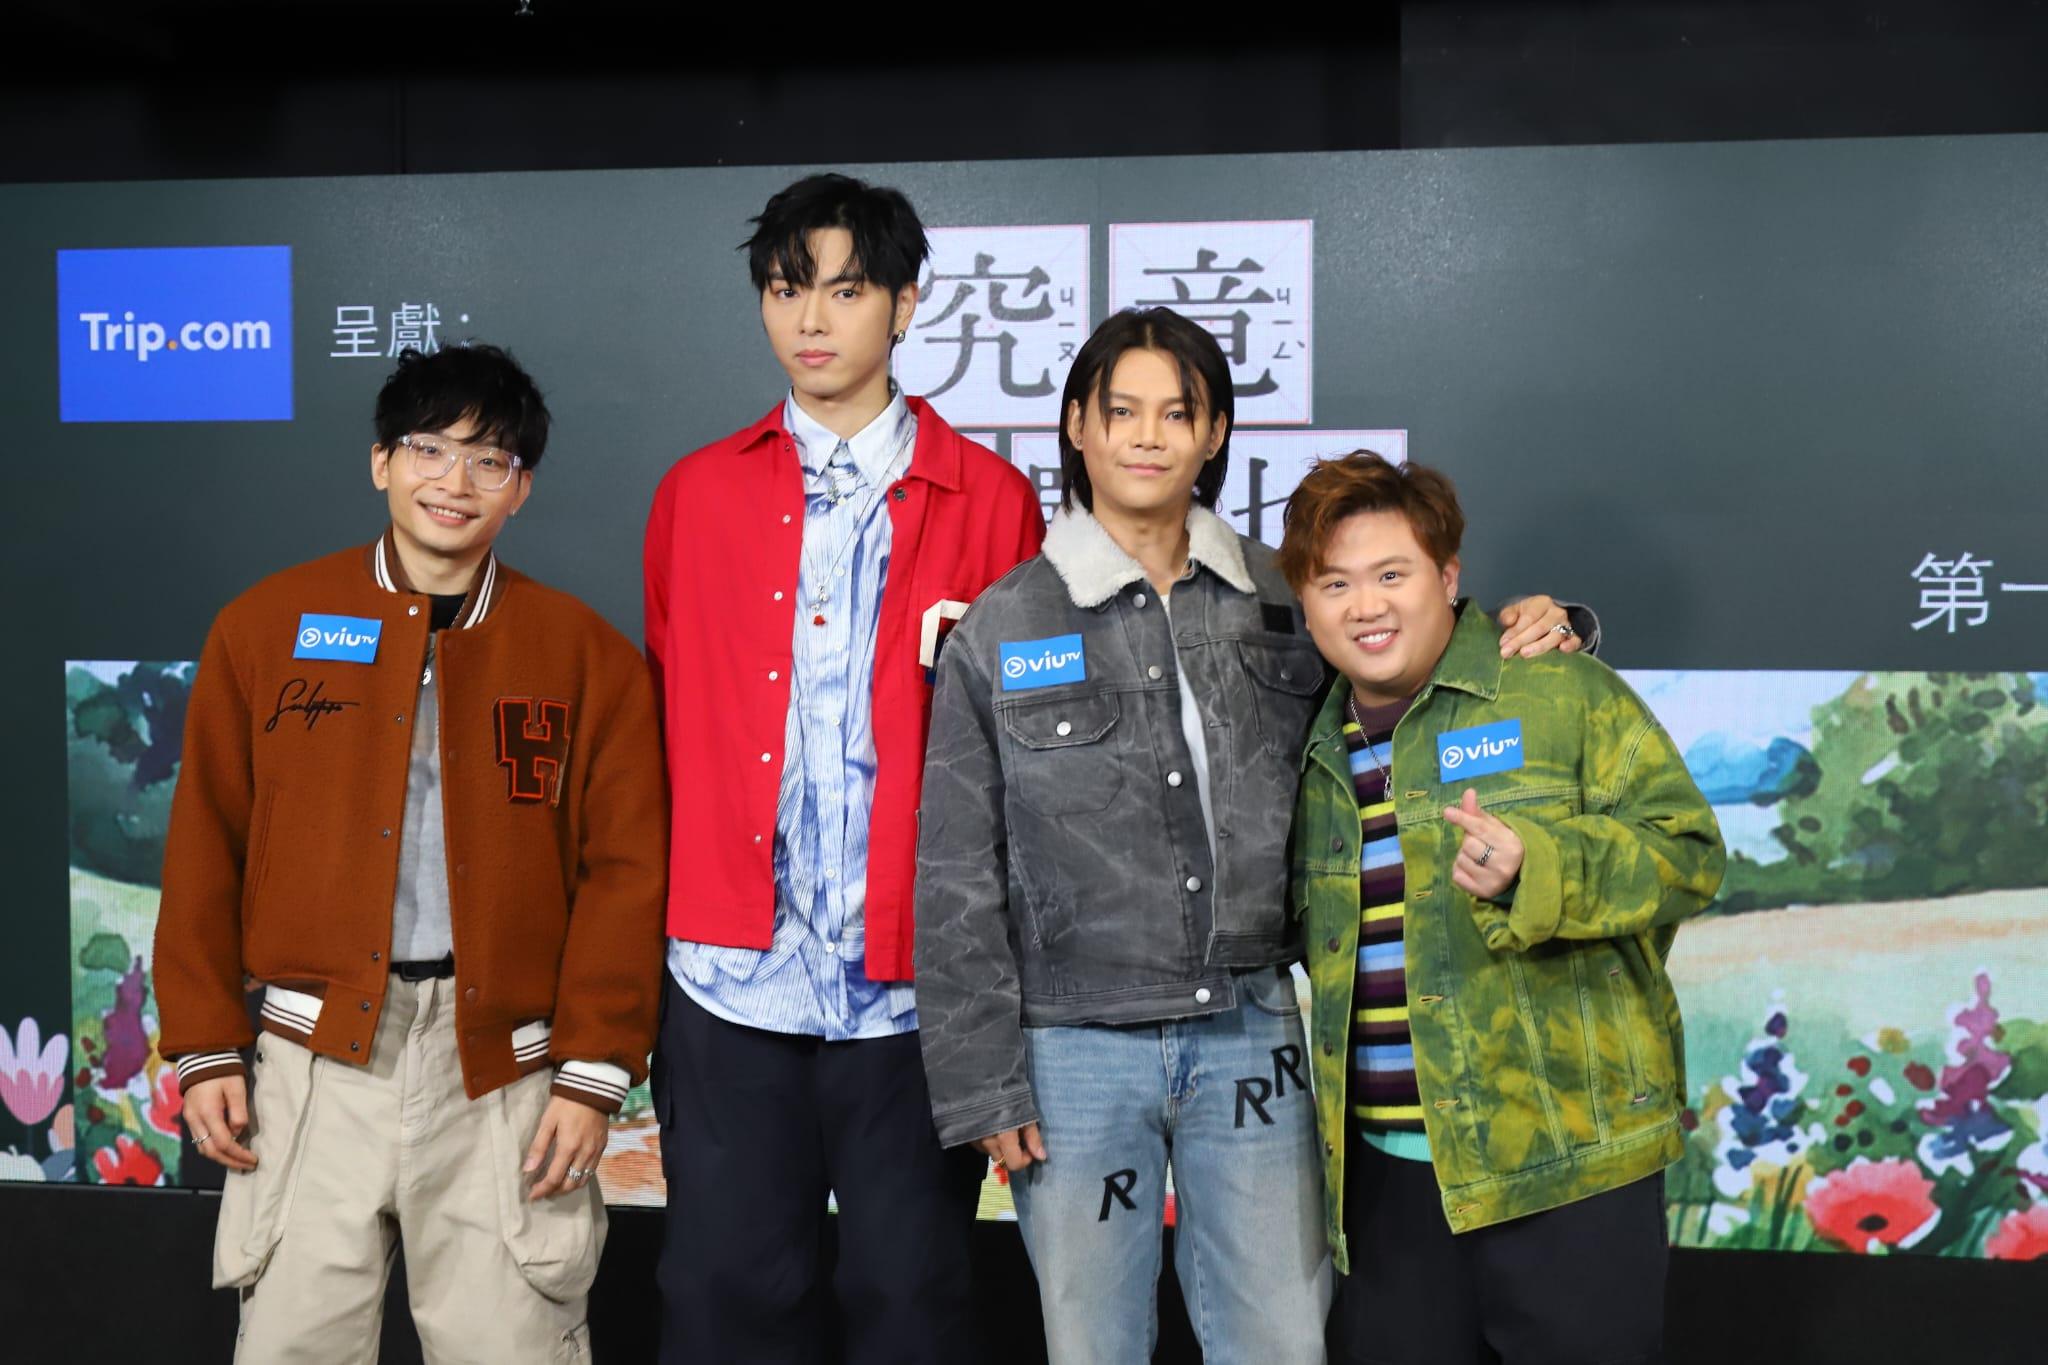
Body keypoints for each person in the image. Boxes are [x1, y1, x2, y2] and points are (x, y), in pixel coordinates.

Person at [912, 307, 1594, 1362]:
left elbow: (1418, 665)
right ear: (1077, 426)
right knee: (1091, 1344)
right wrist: (981, 1081)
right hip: (1072, 1053)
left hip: (1251, 1031)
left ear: (1215, 432)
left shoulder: (1286, 595)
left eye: (1176, 413)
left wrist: (1549, 625)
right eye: (1122, 412)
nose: (1148, 436)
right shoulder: (1002, 629)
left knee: (1280, 1339)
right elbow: (956, 869)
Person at [154, 343, 668, 1362]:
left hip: (506, 1072)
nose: (454, 482)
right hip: (312, 1061)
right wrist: (205, 1041)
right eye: (429, 449)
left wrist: (590, 1072)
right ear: (381, 462)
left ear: (521, 487)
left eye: (488, 460)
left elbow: (624, 875)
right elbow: (207, 839)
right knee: (294, 1343)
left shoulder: (585, 655)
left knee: (513, 1344)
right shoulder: (265, 628)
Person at [640, 172, 1045, 1363]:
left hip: (912, 989)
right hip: (732, 976)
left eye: (845, 290)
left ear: (905, 304)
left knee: (911, 1304)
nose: (810, 320)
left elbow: (1025, 760)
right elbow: (667, 705)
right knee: (723, 1302)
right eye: (784, 290)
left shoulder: (991, 499)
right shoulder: (697, 493)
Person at [1278, 451, 1726, 1365]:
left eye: (1392, 574)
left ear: (1448, 577)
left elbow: (1690, 854)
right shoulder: (1309, 746)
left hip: (1568, 1172)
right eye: (1336, 583)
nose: (1366, 606)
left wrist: (1541, 869)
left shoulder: (1558, 688)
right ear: (1306, 603)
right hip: (1387, 1189)